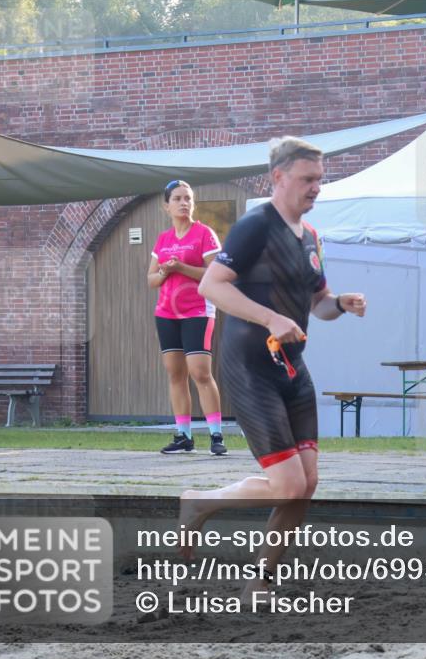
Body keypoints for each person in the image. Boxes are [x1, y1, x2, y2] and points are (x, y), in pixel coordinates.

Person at [179, 136, 367, 602]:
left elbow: (317, 304)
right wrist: (269, 317)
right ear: (279, 177)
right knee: (287, 483)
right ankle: (198, 504)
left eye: (320, 180)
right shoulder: (254, 226)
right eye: (308, 179)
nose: (316, 188)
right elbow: (211, 286)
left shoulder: (311, 238)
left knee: (306, 485)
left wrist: (338, 303)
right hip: (250, 367)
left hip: (292, 368)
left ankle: (258, 580)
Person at [147, 180, 227, 456]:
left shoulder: (204, 233)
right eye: (178, 199)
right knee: (175, 374)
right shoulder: (163, 239)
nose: (184, 203)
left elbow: (215, 272)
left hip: (197, 311)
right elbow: (151, 279)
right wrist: (165, 273)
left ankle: (216, 435)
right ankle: (183, 435)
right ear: (166, 206)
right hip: (166, 313)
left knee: (200, 373)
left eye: (188, 198)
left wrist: (181, 266)